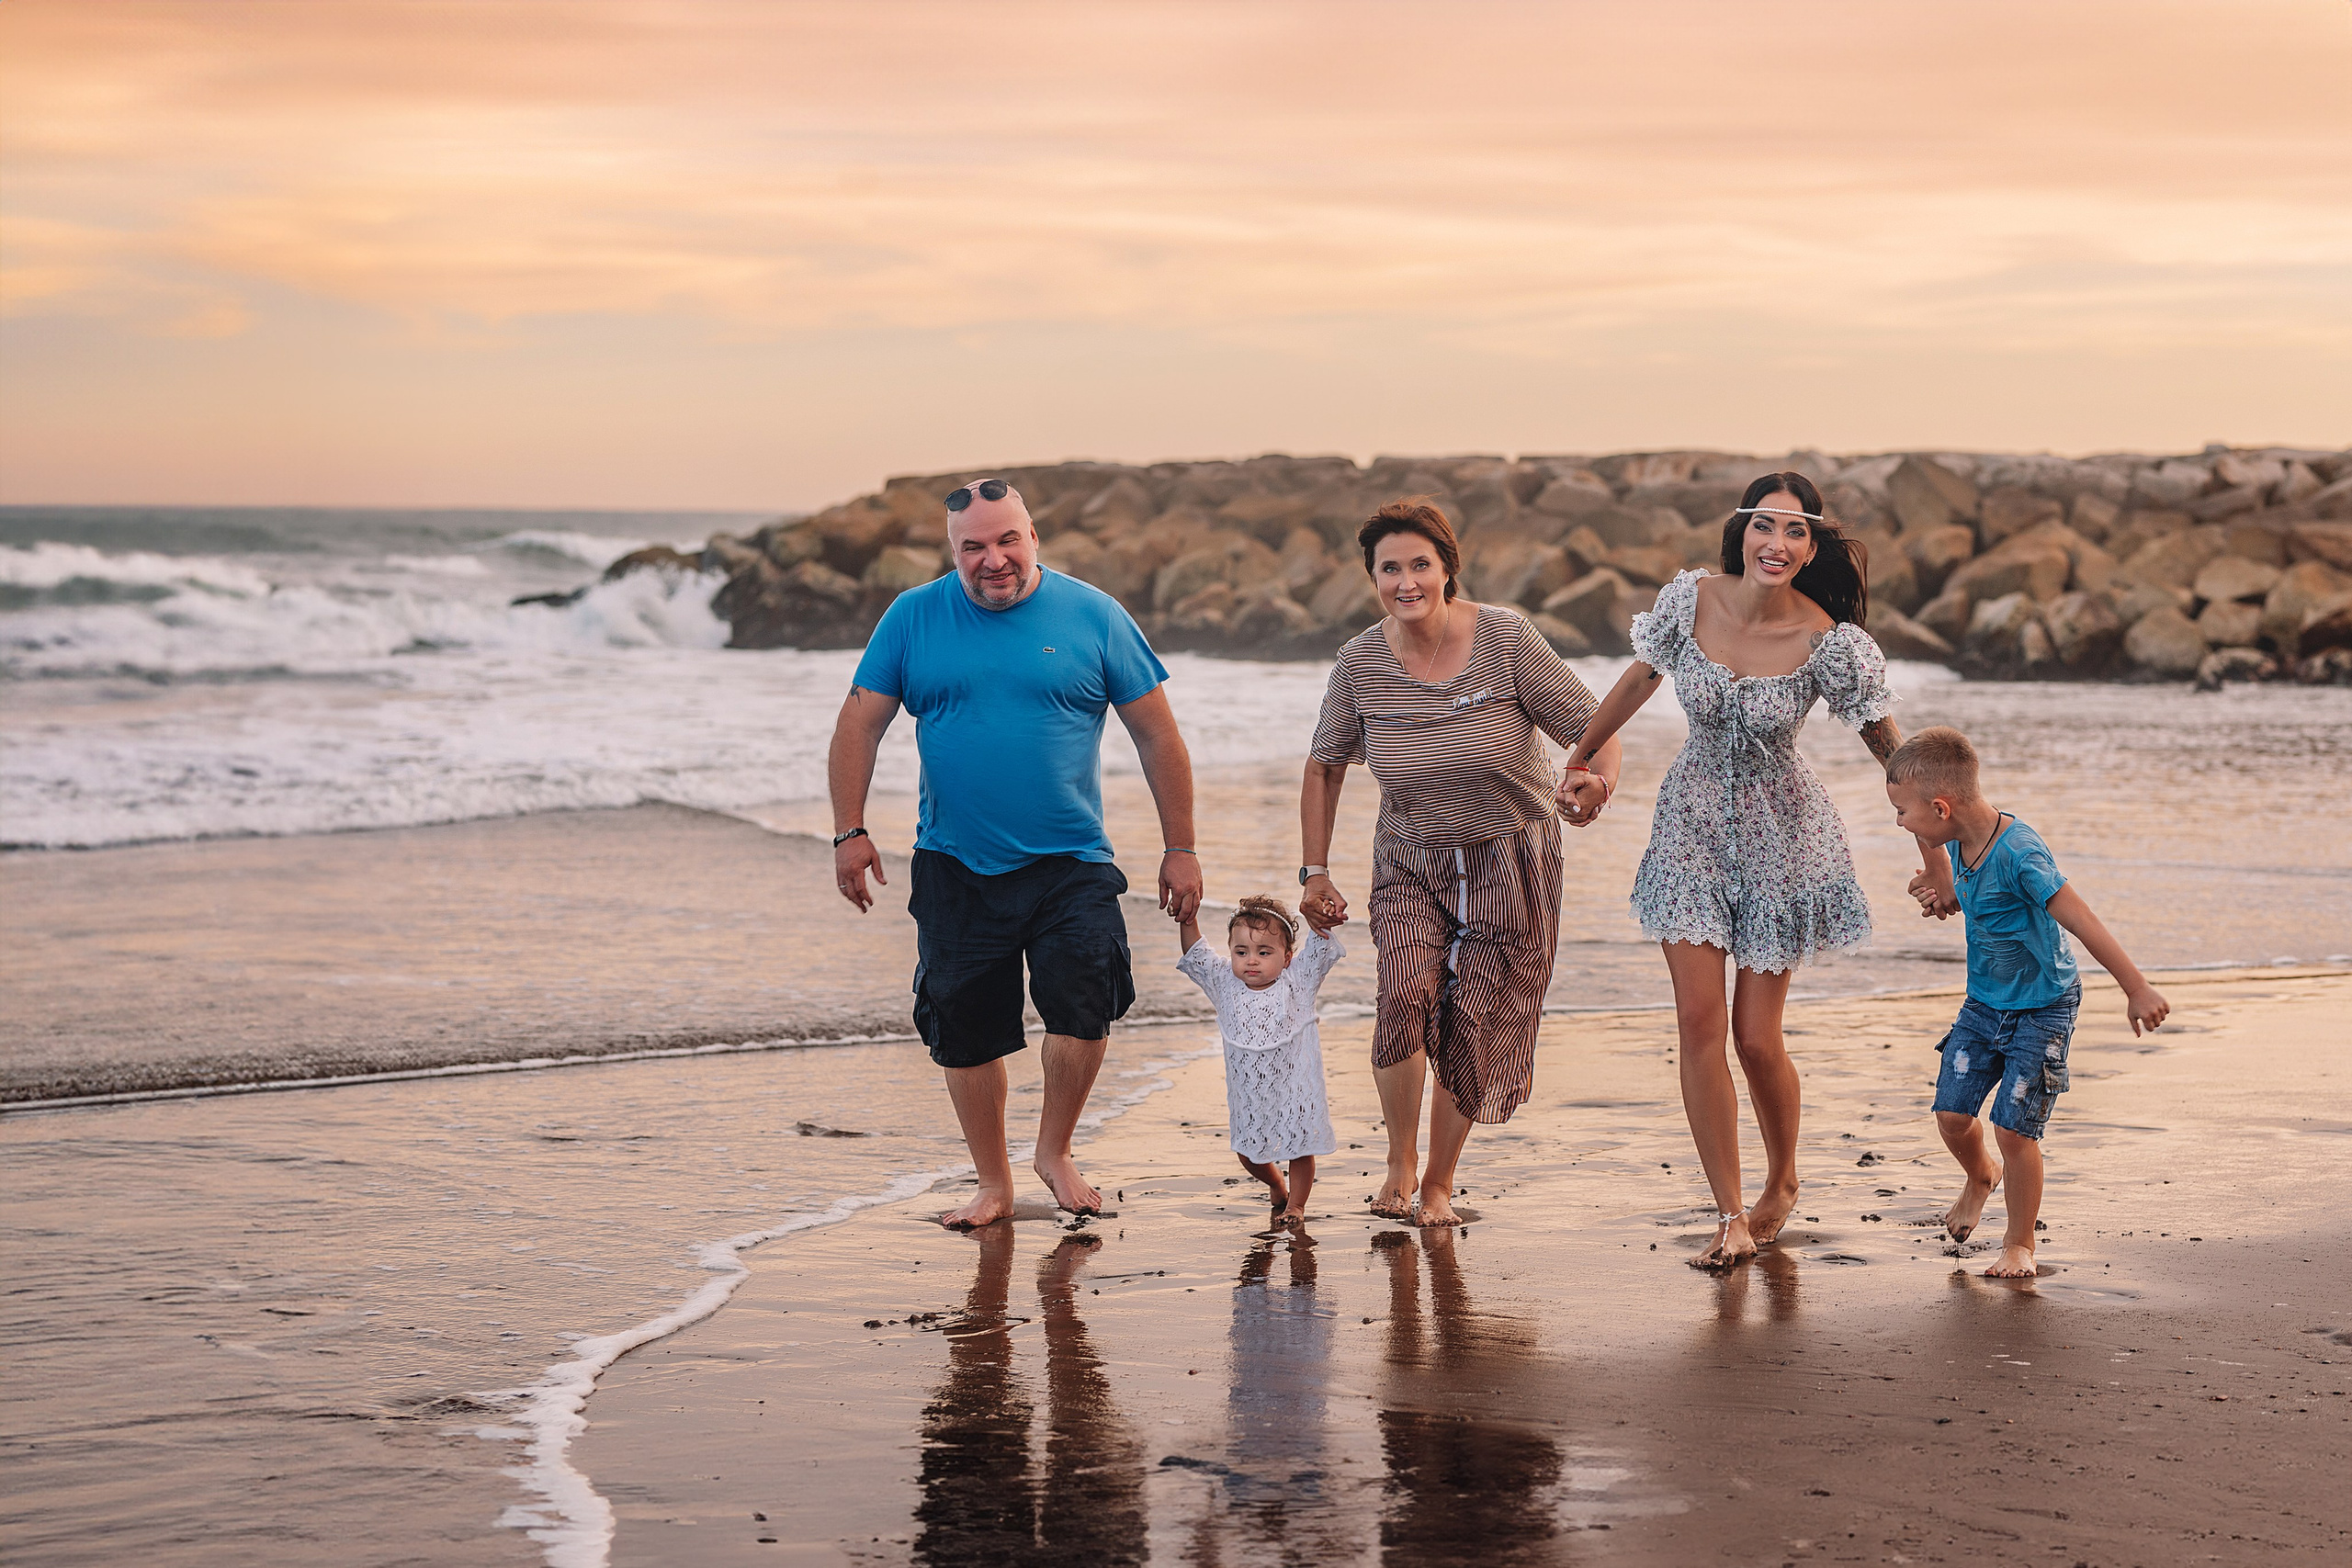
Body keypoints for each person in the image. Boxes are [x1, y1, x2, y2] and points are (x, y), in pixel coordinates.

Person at [1558, 471, 1942, 1269]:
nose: (1778, 542)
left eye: (1797, 530)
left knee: (1756, 1039)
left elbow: (1891, 750)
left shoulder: (1829, 641)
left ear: (1812, 546)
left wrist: (1934, 853)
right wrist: (1583, 757)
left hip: (1783, 837)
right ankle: (1730, 1213)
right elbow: (1640, 678)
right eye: (1766, 524)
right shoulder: (1689, 600)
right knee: (1699, 1023)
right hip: (1690, 828)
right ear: (1743, 530)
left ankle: (1784, 1177)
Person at [828, 477, 1204, 1229]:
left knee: (1086, 1004)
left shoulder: (1094, 615)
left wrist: (1181, 847)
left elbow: (1157, 734)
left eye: (1008, 540)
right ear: (953, 551)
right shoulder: (913, 617)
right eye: (973, 546)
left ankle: (1054, 1150)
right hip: (955, 863)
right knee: (964, 1027)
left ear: (1034, 538)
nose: (993, 559)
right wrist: (850, 830)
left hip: (1072, 861)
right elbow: (858, 725)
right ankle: (993, 1182)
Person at [1299, 499, 1618, 1227]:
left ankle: (1439, 1184)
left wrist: (1596, 783)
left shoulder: (1505, 638)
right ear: (1372, 577)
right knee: (1401, 997)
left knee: (1475, 1017)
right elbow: (1324, 766)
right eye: (1390, 568)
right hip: (1410, 857)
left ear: (1448, 568)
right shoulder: (1358, 663)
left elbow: (1595, 728)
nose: (1406, 581)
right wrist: (1313, 870)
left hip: (1511, 856)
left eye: (1420, 564)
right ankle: (1400, 1163)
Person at [1887, 726, 2169, 1279]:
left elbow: (2081, 919)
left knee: (2014, 1130)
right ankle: (1980, 1176)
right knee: (1951, 1115)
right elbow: (1945, 859)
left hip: (2044, 1006)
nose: (1899, 822)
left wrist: (2136, 987)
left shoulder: (2021, 855)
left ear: (1942, 808)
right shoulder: (1954, 836)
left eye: (1902, 812)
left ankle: (2020, 1244)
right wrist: (1940, 883)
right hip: (1983, 1003)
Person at [1174, 893, 1342, 1224]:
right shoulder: (1225, 983)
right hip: (1250, 1095)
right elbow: (1196, 954)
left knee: (1300, 1149)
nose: (1251, 960)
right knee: (1247, 1153)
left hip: (1296, 1090)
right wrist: (1188, 917)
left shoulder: (1298, 981)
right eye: (1241, 952)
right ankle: (1276, 1183)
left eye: (1264, 952)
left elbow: (1319, 945)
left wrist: (1322, 914)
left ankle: (1296, 1206)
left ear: (1287, 957)